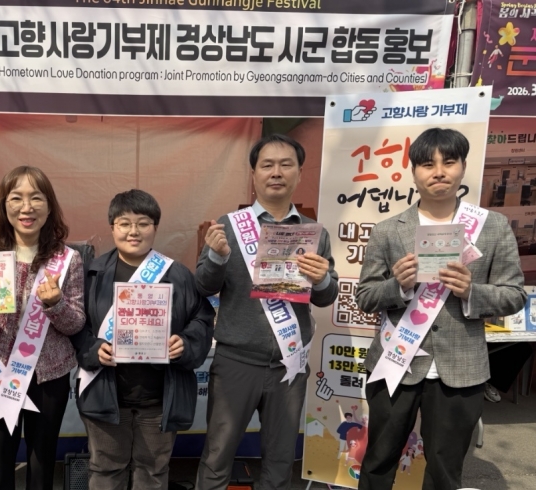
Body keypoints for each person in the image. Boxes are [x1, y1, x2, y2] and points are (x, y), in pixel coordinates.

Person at [356, 128, 526, 490]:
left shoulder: (491, 227)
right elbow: (366, 296)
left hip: (461, 370)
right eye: (427, 164)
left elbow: (514, 295)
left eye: (448, 162)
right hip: (395, 365)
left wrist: (471, 292)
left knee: (445, 472)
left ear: (463, 167)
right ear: (413, 172)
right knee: (377, 463)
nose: (438, 172)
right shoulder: (388, 231)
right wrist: (398, 285)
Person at [196, 134, 338, 490]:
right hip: (236, 362)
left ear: (299, 173)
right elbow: (203, 286)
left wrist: (321, 279)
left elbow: (326, 296)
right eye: (267, 165)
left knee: (279, 460)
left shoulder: (314, 232)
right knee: (217, 456)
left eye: (286, 165)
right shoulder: (229, 225)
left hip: (289, 365)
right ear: (254, 173)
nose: (276, 172)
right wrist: (216, 257)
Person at [71, 189, 214, 490]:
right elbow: (75, 324)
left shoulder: (178, 274)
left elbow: (202, 318)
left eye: (143, 223)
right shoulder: (92, 274)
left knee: (153, 472)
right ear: (112, 228)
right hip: (106, 392)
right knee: (106, 471)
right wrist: (93, 349)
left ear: (155, 227)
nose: (133, 231)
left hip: (160, 398)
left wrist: (186, 343)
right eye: (124, 223)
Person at [0, 166, 85, 490]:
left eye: (36, 198)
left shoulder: (68, 259)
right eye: (16, 198)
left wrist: (56, 304)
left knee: (41, 465)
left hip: (48, 378)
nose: (26, 207)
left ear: (49, 206)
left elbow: (76, 323)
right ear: (4, 205)